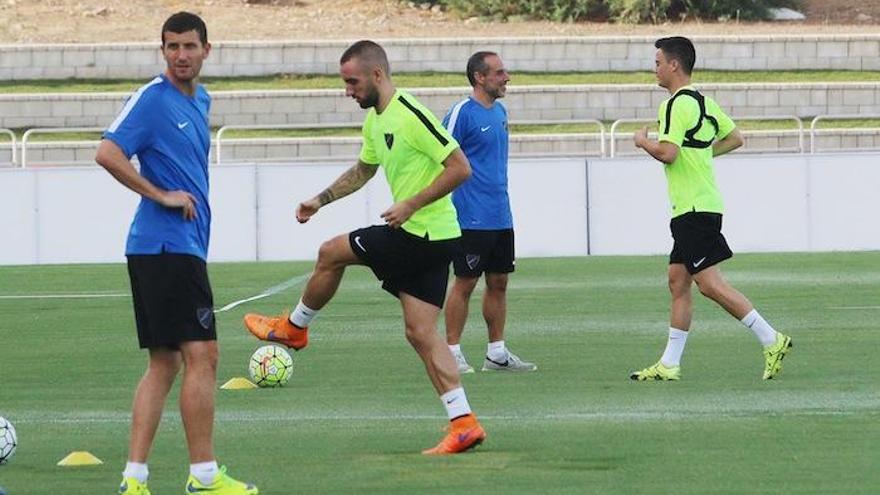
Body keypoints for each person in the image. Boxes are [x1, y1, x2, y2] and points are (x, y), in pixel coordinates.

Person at [243, 40, 487, 454]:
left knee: (330, 252)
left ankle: (295, 328)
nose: (348, 90)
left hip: (421, 234)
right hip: (431, 237)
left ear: (377, 75)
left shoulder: (410, 114)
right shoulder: (376, 121)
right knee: (421, 333)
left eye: (352, 81)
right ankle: (463, 421)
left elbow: (460, 167)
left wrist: (411, 203)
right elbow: (363, 170)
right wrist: (319, 200)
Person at [95, 12, 258, 495]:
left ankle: (135, 478)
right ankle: (204, 476)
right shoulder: (152, 98)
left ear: (208, 49)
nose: (181, 56)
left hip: (176, 249)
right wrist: (161, 195)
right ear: (162, 51)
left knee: (164, 363)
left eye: (189, 46)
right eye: (172, 47)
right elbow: (107, 152)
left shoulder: (200, 99)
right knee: (203, 353)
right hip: (165, 247)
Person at [630, 36, 792, 381]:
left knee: (709, 284)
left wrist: (644, 141)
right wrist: (703, 155)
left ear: (674, 65)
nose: (655, 68)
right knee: (678, 280)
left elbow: (668, 153)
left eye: (658, 62)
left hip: (692, 208)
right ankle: (669, 364)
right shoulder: (703, 101)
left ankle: (771, 338)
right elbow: (736, 138)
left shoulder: (674, 105)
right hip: (699, 204)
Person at [441, 52, 536, 374]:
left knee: (499, 282)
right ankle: (450, 352)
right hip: (471, 216)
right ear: (480, 78)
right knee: (464, 283)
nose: (506, 77)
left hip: (500, 215)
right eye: (499, 72)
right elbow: (439, 155)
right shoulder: (461, 113)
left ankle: (497, 353)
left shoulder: (500, 112)